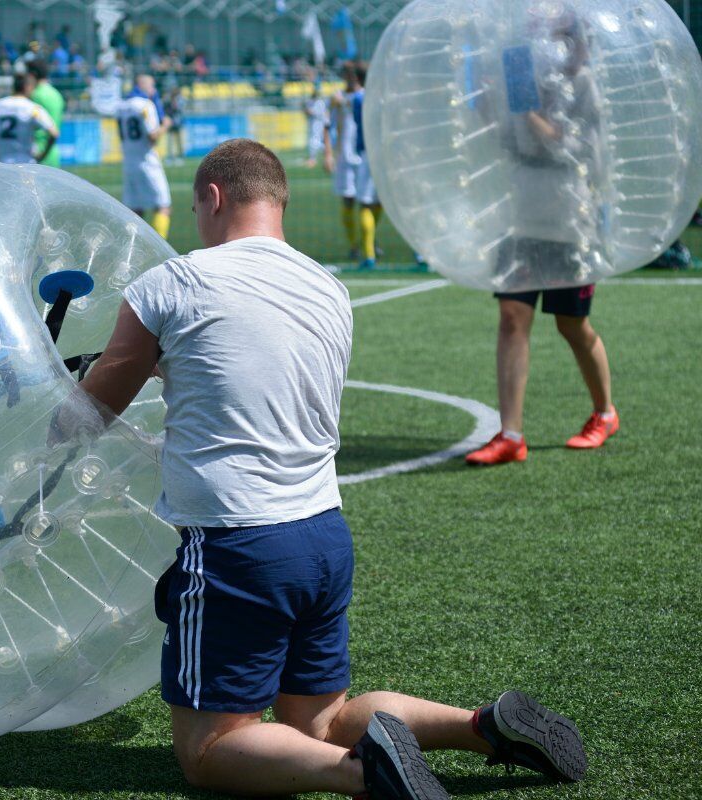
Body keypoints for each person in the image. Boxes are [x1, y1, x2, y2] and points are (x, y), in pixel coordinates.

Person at [57, 138, 587, 798]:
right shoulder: (327, 289)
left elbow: (86, 416)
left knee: (210, 748)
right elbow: (249, 369)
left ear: (214, 198)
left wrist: (40, 394)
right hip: (323, 538)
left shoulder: (171, 283)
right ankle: (482, 725)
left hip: (237, 546)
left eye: (197, 208)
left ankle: (363, 773)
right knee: (324, 720)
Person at [466, 4, 617, 465]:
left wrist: (525, 109)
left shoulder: (587, 85)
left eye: (563, 37)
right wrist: (494, 101)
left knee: (572, 324)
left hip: (569, 216)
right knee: (513, 316)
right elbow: (506, 138)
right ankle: (510, 433)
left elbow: (563, 142)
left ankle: (605, 412)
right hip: (522, 212)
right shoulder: (524, 78)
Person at [324, 61, 382, 270]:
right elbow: (326, 124)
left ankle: (369, 244)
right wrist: (328, 153)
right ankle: (356, 245)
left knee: (372, 203)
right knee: (351, 201)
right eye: (344, 73)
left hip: (366, 155)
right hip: (347, 157)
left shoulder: (361, 97)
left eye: (350, 73)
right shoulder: (337, 98)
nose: (348, 77)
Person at [114, 74, 173, 239]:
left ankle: (132, 248)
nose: (154, 90)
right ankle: (160, 246)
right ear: (143, 86)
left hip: (129, 163)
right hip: (147, 162)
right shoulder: (145, 105)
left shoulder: (120, 106)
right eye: (152, 86)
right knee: (163, 206)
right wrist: (166, 126)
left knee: (135, 212)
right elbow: (152, 136)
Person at [0, 72, 58, 165]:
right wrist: (42, 156)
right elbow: (54, 133)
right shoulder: (33, 108)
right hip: (26, 164)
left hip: (1, 163)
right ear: (27, 87)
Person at [28, 60, 65, 168]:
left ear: (32, 75)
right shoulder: (56, 94)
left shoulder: (35, 95)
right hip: (52, 152)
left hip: (37, 152)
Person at [305, 84, 329, 169]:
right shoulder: (311, 101)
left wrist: (309, 111)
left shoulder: (320, 102)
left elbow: (317, 113)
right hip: (312, 123)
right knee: (313, 140)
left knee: (314, 141)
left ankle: (313, 159)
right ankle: (322, 155)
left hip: (318, 124)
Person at [164, 86, 185, 166]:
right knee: (170, 141)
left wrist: (174, 101)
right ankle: (170, 157)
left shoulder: (180, 99)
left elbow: (178, 109)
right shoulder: (168, 99)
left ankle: (180, 156)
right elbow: (165, 108)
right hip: (171, 122)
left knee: (179, 141)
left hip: (178, 122)